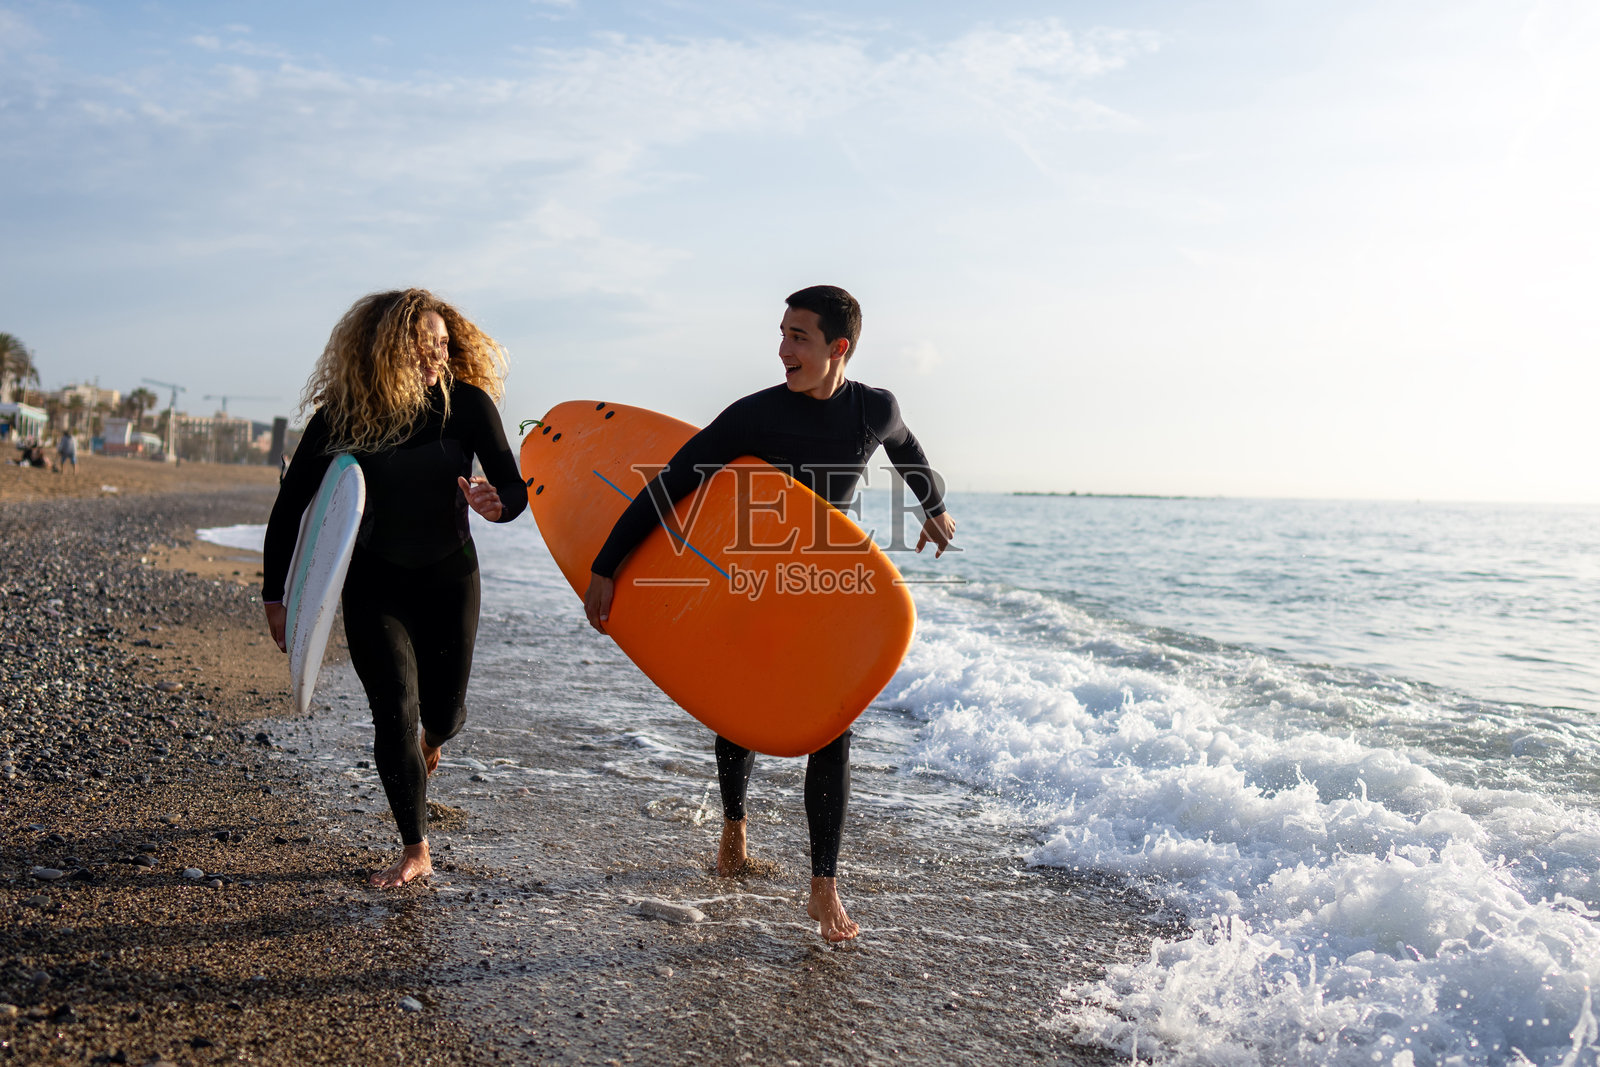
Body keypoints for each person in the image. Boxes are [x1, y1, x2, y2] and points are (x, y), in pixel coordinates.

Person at [583, 285, 956, 941]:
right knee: (741, 711)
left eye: (798, 337)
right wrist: (608, 564)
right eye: (781, 333)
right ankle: (734, 825)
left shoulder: (872, 407)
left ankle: (823, 888)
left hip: (822, 590)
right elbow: (672, 481)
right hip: (749, 583)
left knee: (834, 726)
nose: (783, 349)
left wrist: (933, 504)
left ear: (838, 348)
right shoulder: (753, 416)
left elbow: (906, 445)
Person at [261, 288, 528, 888]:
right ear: (385, 351)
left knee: (445, 715)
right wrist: (276, 598)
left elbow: (514, 489)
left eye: (442, 344)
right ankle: (415, 846)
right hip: (375, 581)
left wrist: (497, 504)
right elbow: (291, 506)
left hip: (450, 576)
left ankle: (433, 741)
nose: (437, 356)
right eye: (423, 345)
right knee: (393, 711)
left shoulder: (468, 407)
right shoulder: (344, 416)